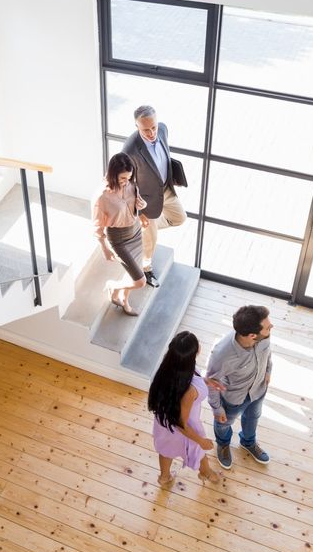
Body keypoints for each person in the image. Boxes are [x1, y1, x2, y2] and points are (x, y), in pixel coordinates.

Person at [122, 104, 186, 287]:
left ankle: (141, 232)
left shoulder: (163, 129)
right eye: (145, 129)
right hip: (146, 200)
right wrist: (140, 212)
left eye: (153, 127)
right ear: (137, 127)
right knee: (150, 241)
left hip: (166, 189)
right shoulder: (130, 149)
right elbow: (127, 184)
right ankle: (146, 268)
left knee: (179, 218)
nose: (151, 133)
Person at [148, 330, 221, 488]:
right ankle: (206, 472)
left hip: (164, 422)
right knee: (199, 451)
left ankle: (164, 477)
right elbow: (182, 424)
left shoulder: (166, 369)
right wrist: (201, 441)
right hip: (186, 426)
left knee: (166, 450)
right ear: (196, 352)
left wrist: (206, 381)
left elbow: (188, 378)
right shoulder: (190, 391)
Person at [206, 304, 273, 469]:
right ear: (251, 335)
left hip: (258, 391)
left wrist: (268, 370)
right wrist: (217, 408)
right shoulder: (222, 354)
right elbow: (211, 382)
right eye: (268, 327)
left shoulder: (263, 336)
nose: (271, 327)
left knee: (253, 417)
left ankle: (248, 442)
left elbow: (268, 353)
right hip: (234, 398)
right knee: (223, 424)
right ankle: (222, 444)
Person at [92, 152, 149, 316]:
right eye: (122, 178)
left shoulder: (132, 185)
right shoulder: (102, 197)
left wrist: (142, 208)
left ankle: (124, 299)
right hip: (119, 239)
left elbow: (135, 206)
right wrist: (104, 248)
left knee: (131, 271)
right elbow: (97, 226)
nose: (126, 182)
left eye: (129, 177)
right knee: (140, 281)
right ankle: (113, 285)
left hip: (136, 232)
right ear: (113, 174)